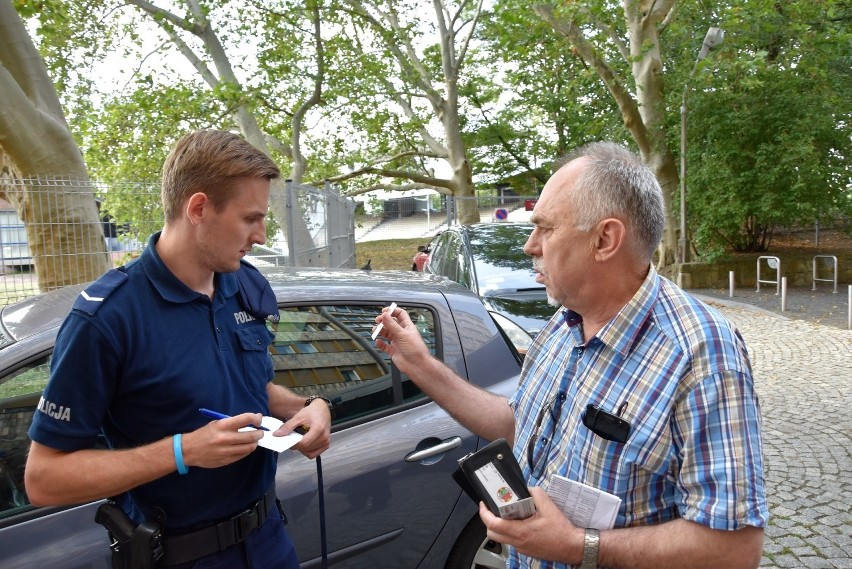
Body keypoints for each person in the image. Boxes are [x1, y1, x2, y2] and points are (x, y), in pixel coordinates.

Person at [373, 141, 768, 569]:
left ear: (605, 239)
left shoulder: (703, 355)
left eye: (545, 228)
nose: (529, 246)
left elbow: (735, 549)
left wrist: (580, 546)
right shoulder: (565, 321)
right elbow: (517, 424)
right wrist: (418, 364)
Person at [24, 129, 333, 568]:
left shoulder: (245, 283)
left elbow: (249, 386)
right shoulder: (107, 319)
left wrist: (311, 406)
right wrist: (182, 452)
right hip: (181, 554)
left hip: (268, 539)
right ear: (199, 208)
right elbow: (43, 479)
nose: (261, 236)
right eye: (250, 219)